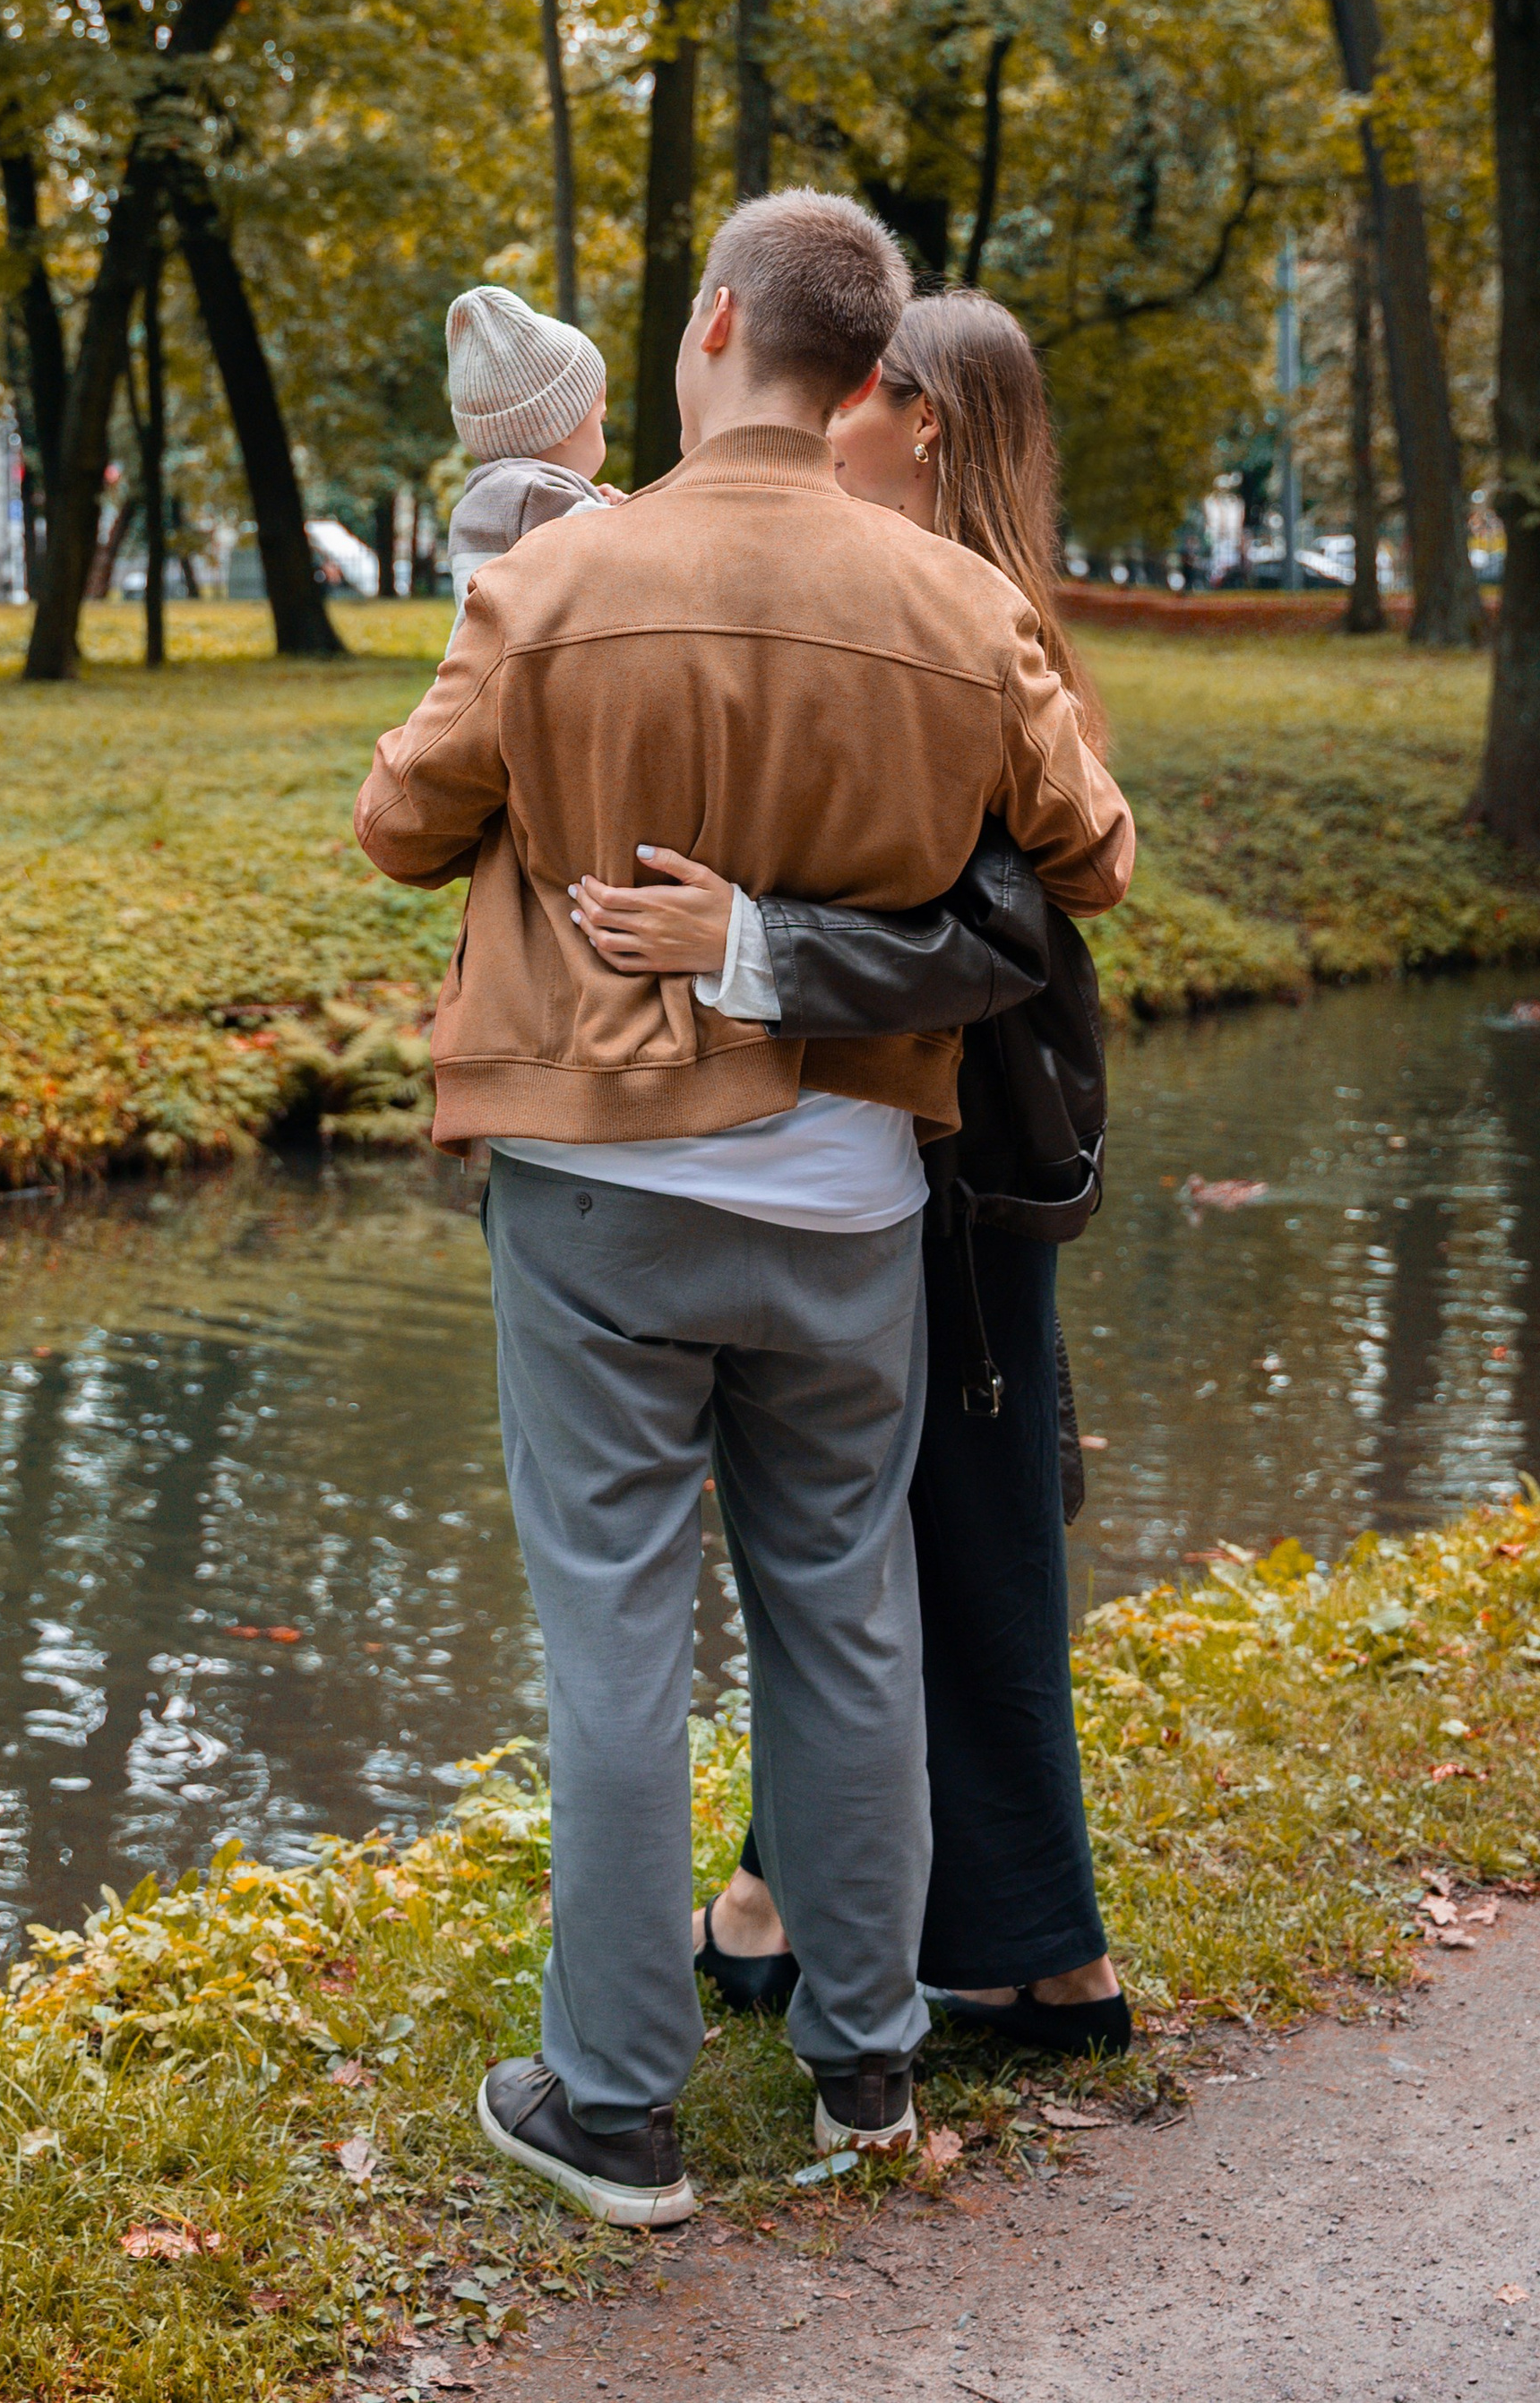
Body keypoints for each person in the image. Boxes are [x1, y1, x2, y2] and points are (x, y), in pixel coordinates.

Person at [353, 200, 1133, 2230]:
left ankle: (612, 2106)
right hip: (850, 1199)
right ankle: (860, 2067)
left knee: (614, 1628)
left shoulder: (559, 571)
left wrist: (498, 610)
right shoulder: (951, 603)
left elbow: (396, 823)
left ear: (707, 329)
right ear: (868, 364)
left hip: (599, 1185)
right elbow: (1089, 855)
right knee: (841, 1615)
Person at [570, 289, 1129, 2059]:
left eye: (858, 402)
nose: (821, 426)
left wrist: (754, 940)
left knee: (949, 1542)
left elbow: (1003, 932)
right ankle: (777, 1901)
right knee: (859, 1546)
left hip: (951, 1160)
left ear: (926, 419)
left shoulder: (970, 626)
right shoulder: (905, 601)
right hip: (908, 1149)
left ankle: (1043, 1959)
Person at [441, 284, 618, 619]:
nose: (604, 428)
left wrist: (597, 504)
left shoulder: (498, 494)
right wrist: (628, 514)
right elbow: (625, 557)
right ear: (563, 425)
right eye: (601, 418)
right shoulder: (531, 494)